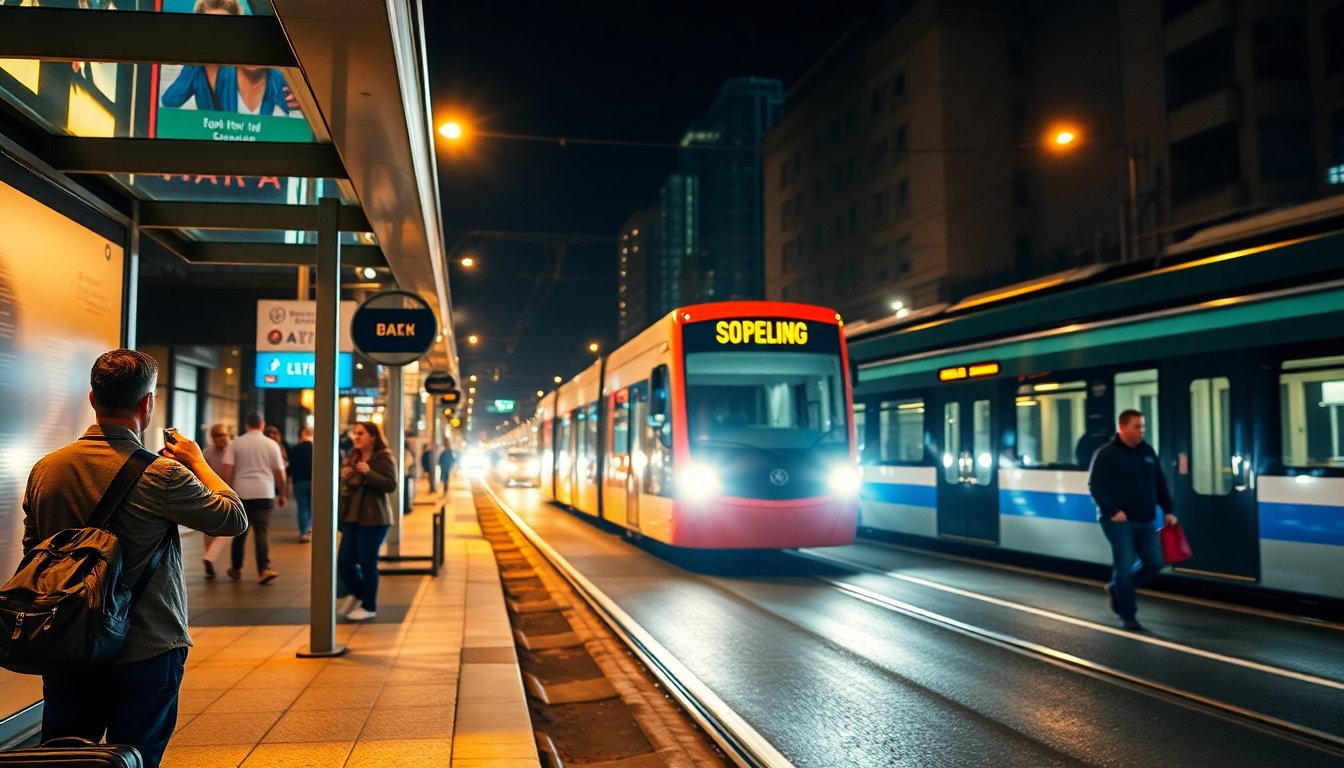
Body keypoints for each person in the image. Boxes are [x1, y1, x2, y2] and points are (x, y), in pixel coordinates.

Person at [22, 349, 246, 768]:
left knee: (63, 757)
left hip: (66, 641)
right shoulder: (163, 474)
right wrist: (197, 460)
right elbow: (233, 518)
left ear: (93, 398)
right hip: (145, 645)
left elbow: (33, 552)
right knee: (137, 756)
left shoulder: (46, 469)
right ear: (147, 403)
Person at [1087, 409, 1178, 631]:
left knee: (1155, 562)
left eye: (1143, 427)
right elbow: (1095, 485)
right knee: (1125, 565)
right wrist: (1112, 510)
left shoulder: (1147, 451)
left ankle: (1117, 588)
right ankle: (1128, 614)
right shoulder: (1106, 453)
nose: (1142, 431)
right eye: (1137, 427)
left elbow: (1160, 482)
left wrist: (1168, 510)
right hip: (1118, 521)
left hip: (1146, 518)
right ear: (1122, 427)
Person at [337, 422, 397, 621]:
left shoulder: (383, 457)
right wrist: (345, 476)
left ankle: (369, 606)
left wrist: (368, 472)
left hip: (374, 518)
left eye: (360, 433)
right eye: (355, 433)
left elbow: (390, 484)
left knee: (367, 562)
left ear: (373, 436)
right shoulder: (352, 456)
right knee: (344, 562)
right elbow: (347, 486)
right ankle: (361, 593)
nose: (356, 437)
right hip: (351, 517)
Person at [227, 414, 286, 584]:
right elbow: (280, 473)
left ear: (247, 425)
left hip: (241, 493)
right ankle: (264, 570)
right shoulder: (272, 444)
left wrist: (224, 491)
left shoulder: (235, 443)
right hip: (264, 492)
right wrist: (282, 494)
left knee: (240, 532)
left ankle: (236, 569)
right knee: (261, 531)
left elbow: (226, 469)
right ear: (262, 424)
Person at [200, 423, 236, 578]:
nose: (221, 438)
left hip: (232, 493)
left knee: (232, 526)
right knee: (208, 528)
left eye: (223, 435)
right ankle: (209, 560)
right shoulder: (208, 452)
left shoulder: (234, 448)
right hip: (212, 492)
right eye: (217, 436)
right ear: (212, 438)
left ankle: (210, 556)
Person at [290, 426, 314, 542]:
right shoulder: (316, 448)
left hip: (299, 481)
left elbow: (291, 467)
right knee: (312, 506)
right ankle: (310, 527)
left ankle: (303, 532)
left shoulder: (295, 449)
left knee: (302, 507)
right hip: (314, 481)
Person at [264, 424, 290, 505]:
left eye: (275, 433)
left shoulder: (282, 446)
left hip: (271, 482)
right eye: (270, 433)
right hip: (271, 481)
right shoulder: (279, 446)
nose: (273, 435)